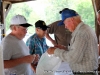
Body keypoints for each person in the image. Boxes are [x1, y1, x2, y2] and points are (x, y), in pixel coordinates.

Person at [47, 8, 99, 75]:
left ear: (71, 20)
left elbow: (73, 58)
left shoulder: (81, 33)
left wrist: (54, 51)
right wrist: (64, 48)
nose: (65, 27)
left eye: (65, 23)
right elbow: (80, 50)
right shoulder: (84, 29)